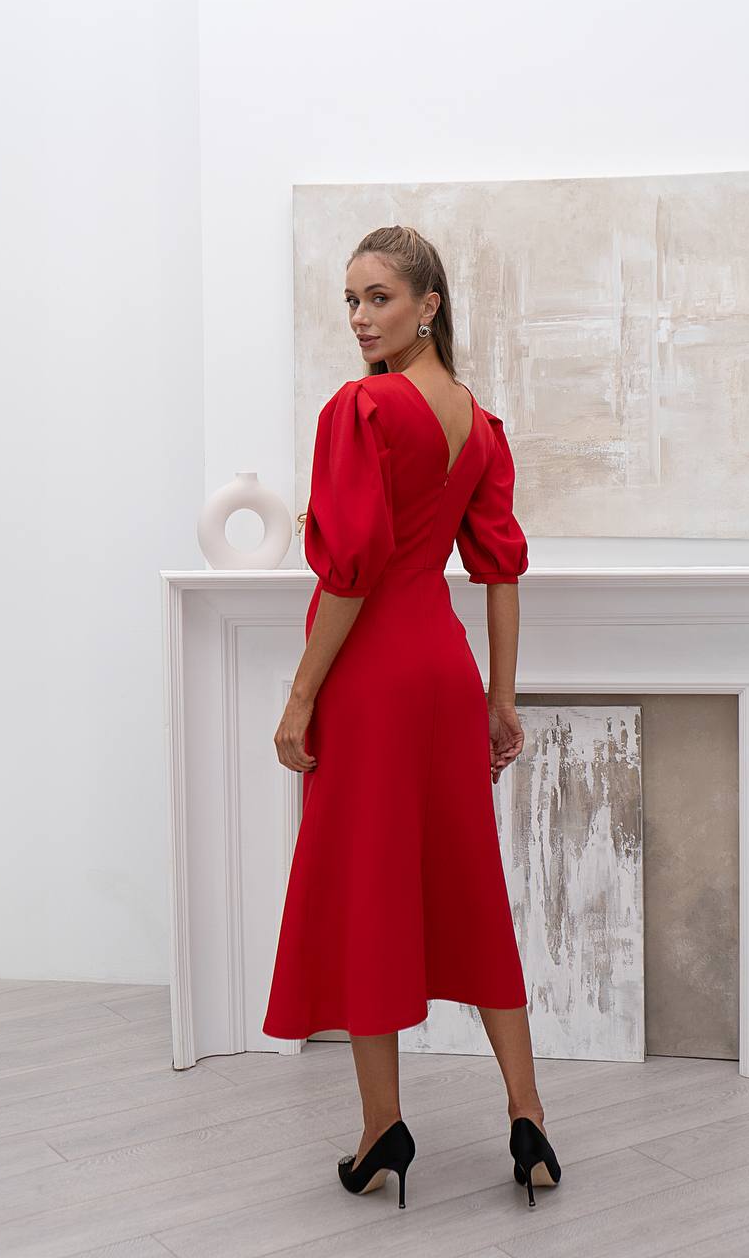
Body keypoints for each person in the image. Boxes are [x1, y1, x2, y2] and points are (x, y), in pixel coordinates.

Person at [265, 225, 561, 1208]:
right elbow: (500, 572)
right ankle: (529, 1119)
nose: (359, 318)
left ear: (428, 303)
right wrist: (501, 698)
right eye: (349, 300)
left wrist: (302, 694)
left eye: (379, 297)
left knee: (368, 890)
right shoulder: (479, 424)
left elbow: (349, 576)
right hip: (443, 668)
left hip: (371, 675)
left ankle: (381, 1130)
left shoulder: (363, 410)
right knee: (469, 884)